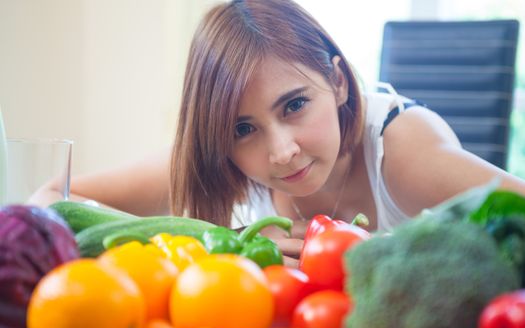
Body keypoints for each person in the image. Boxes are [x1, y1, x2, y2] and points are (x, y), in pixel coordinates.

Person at [31, 0, 525, 267]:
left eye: (294, 104)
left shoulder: (400, 150)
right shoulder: (220, 158)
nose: (282, 152)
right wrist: (207, 238)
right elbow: (49, 199)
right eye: (243, 128)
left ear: (335, 80)